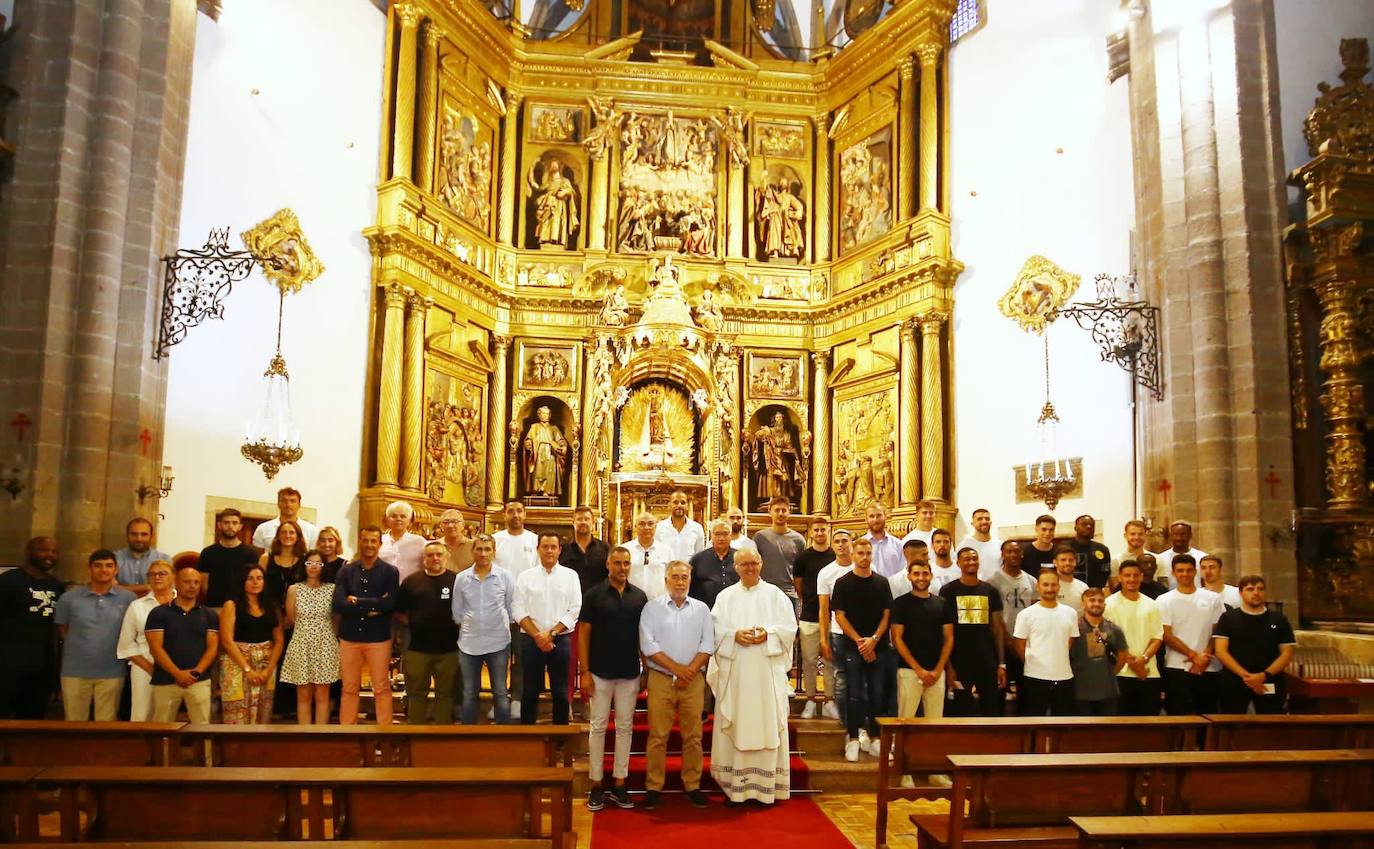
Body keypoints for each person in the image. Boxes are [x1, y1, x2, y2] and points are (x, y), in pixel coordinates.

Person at [707, 547, 797, 804]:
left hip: (766, 673)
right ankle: (735, 786)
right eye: (744, 564)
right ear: (735, 567)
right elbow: (714, 629)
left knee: (767, 720)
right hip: (736, 673)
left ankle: (766, 785)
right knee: (736, 718)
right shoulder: (725, 597)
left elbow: (789, 629)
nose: (749, 568)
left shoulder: (775, 595)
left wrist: (767, 634)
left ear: (761, 565)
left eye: (753, 563)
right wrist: (733, 635)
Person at [640, 560, 714, 810]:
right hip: (661, 680)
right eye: (675, 577)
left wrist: (689, 671)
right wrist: (677, 669)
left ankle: (692, 784)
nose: (680, 581)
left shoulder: (702, 609)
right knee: (657, 736)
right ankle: (653, 787)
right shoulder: (652, 609)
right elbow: (648, 646)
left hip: (693, 682)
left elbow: (707, 644)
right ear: (666, 580)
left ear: (690, 580)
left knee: (693, 737)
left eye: (684, 577)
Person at [579, 547, 647, 811]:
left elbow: (644, 635)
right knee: (597, 727)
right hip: (599, 672)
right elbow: (584, 634)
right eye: (617, 563)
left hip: (629, 671)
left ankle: (620, 782)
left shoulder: (639, 596)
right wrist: (585, 672)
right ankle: (596, 783)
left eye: (626, 563)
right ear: (608, 564)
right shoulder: (594, 595)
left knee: (625, 728)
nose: (622, 567)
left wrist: (646, 669)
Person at [55, 550, 136, 720]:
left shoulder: (128, 598)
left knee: (106, 725)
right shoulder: (69, 599)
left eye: (108, 566)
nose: (103, 570)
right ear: (90, 569)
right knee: (74, 723)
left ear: (116, 570)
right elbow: (63, 629)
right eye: (98, 566)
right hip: (74, 670)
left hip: (112, 670)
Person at [831, 537, 892, 761]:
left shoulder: (882, 582)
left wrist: (874, 639)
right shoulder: (843, 583)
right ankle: (854, 737)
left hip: (879, 646)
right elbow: (840, 615)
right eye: (860, 553)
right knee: (854, 693)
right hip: (852, 647)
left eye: (868, 553)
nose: (865, 557)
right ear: (853, 555)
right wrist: (860, 641)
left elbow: (887, 614)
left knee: (877, 693)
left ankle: (875, 738)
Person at [333, 526, 399, 725]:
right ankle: (348, 733)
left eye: (373, 541)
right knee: (349, 688)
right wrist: (374, 604)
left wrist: (356, 601)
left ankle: (384, 732)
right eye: (365, 540)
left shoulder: (390, 572)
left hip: (378, 637)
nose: (369, 545)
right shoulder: (346, 571)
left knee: (381, 687)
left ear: (380, 544)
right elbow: (338, 604)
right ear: (359, 542)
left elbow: (391, 603)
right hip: (349, 637)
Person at [514, 532, 581, 725]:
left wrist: (551, 634)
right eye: (545, 547)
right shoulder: (525, 577)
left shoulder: (570, 576)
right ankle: (528, 738)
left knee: (560, 692)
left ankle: (559, 740)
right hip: (531, 640)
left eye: (553, 546)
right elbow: (518, 609)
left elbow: (574, 609)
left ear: (560, 550)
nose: (549, 551)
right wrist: (538, 636)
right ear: (538, 549)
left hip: (560, 640)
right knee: (529, 691)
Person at [452, 533, 516, 725]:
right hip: (469, 643)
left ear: (494, 552)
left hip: (498, 641)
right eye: (479, 549)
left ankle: (503, 735)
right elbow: (457, 610)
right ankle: (469, 735)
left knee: (500, 691)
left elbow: (511, 608)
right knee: (470, 692)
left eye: (487, 549)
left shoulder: (505, 577)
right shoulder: (462, 578)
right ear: (473, 551)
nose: (483, 553)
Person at [0, 537, 67, 718]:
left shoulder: (57, 585)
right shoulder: (8, 581)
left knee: (33, 717)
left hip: (42, 665)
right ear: (29, 552)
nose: (49, 555)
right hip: (9, 663)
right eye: (43, 550)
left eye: (54, 551)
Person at [145, 563, 219, 723]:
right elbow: (155, 648)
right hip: (165, 680)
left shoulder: (209, 614)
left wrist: (196, 672)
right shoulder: (159, 613)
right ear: (176, 583)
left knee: (203, 729)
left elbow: (213, 647)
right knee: (162, 731)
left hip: (198, 680)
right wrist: (177, 673)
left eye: (196, 582)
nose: (192, 586)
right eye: (187, 582)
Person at [396, 542, 460, 724]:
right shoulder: (412, 581)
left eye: (439, 554)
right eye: (430, 555)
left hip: (449, 648)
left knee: (446, 693)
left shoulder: (456, 581)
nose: (435, 558)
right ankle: (415, 732)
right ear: (424, 559)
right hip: (418, 648)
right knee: (416, 692)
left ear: (446, 557)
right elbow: (400, 611)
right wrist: (417, 623)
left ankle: (441, 733)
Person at [1214, 575, 1295, 714]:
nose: (1256, 593)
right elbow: (1221, 651)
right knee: (1231, 725)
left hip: (1269, 680)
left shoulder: (1279, 619)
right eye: (1250, 589)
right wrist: (1246, 676)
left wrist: (1263, 675)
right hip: (1235, 680)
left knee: (1271, 724)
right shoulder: (1228, 618)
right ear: (1241, 593)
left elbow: (1286, 653)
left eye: (1260, 589)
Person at [940, 548, 1006, 716]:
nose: (971, 562)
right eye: (967, 559)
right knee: (961, 709)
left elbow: (997, 628)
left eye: (974, 559)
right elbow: (944, 631)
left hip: (987, 660)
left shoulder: (990, 591)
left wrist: (1001, 664)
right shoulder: (948, 591)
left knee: (991, 708)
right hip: (959, 660)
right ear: (958, 563)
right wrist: (948, 666)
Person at [1157, 553, 1223, 714]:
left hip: (1208, 666)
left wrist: (1204, 655)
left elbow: (1218, 630)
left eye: (1188, 570)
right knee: (1178, 715)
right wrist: (1193, 655)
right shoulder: (1164, 600)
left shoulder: (1212, 598)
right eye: (1180, 570)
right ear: (1173, 573)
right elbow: (1166, 635)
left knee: (1208, 714)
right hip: (1176, 666)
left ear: (1195, 571)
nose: (1184, 574)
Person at [218, 564, 284, 724]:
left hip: (265, 665)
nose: (255, 582)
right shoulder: (231, 605)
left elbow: (279, 640)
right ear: (242, 581)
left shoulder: (271, 606)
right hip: (236, 664)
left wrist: (268, 670)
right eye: (250, 578)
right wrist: (247, 670)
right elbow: (226, 641)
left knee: (263, 713)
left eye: (259, 578)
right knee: (237, 712)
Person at [280, 549, 340, 724]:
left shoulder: (332, 589)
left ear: (323, 567)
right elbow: (291, 619)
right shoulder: (294, 589)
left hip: (325, 644)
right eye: (309, 563)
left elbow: (336, 619)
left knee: (323, 694)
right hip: (301, 642)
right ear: (304, 565)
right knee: (303, 694)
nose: (314, 567)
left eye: (318, 563)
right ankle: (304, 736)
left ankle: (320, 736)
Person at [890, 559, 954, 720]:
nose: (921, 577)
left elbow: (949, 638)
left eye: (925, 573)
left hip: (937, 672)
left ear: (931, 576)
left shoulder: (942, 603)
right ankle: (901, 747)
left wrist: (938, 670)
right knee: (905, 720)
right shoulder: (900, 604)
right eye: (916, 574)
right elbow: (897, 638)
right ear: (909, 577)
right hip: (909, 671)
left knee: (935, 722)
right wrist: (918, 670)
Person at [494, 501, 539, 719]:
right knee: (499, 657)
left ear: (525, 514)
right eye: (511, 511)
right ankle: (499, 699)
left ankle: (518, 699)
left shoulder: (534, 540)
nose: (515, 515)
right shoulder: (496, 540)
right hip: (498, 607)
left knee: (522, 658)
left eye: (519, 511)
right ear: (504, 515)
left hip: (525, 609)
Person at [1103, 559, 1164, 715]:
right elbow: (1105, 639)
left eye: (1135, 575)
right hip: (1120, 672)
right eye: (1127, 575)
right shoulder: (1108, 604)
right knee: (1122, 725)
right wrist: (1131, 662)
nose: (1131, 579)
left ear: (1141, 577)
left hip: (1148, 672)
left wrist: (1142, 659)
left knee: (1149, 724)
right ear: (1120, 577)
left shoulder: (1152, 604)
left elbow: (1157, 637)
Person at [1013, 569, 1078, 717]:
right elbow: (1019, 645)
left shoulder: (1070, 613)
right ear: (1038, 586)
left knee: (1062, 726)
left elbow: (1070, 640)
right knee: (1033, 725)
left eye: (1053, 585)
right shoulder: (1026, 615)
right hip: (1034, 678)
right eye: (1046, 585)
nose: (1050, 589)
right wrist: (1034, 662)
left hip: (1064, 677)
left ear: (1058, 587)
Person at [117, 559, 176, 721]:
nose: (157, 577)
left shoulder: (183, 603)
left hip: (176, 670)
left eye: (162, 573)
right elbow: (126, 644)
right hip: (144, 667)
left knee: (167, 717)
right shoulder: (137, 606)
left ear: (173, 577)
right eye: (152, 574)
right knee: (141, 715)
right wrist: (151, 669)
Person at [793, 515, 836, 718]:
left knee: (830, 661)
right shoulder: (803, 558)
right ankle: (810, 700)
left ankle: (829, 700)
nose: (820, 533)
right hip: (809, 615)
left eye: (823, 530)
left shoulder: (835, 556)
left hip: (832, 617)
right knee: (809, 661)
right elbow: (799, 586)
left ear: (829, 531)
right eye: (816, 530)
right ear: (811, 533)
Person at [988, 539, 1036, 701]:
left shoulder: (1031, 581)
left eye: (1017, 551)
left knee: (1026, 689)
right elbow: (993, 615)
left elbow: (1036, 611)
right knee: (1000, 687)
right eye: (1009, 551)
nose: (1013, 555)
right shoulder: (992, 580)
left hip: (1026, 642)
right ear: (1003, 555)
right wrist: (1007, 638)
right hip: (1003, 642)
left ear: (1022, 554)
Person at [1071, 587, 1129, 715]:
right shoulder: (1074, 628)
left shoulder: (1114, 629)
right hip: (1080, 692)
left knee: (1107, 733)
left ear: (1104, 604)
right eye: (1092, 600)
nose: (1096, 604)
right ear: (1083, 603)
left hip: (1108, 691)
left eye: (1100, 600)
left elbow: (1123, 655)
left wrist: (1110, 673)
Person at [199, 508, 260, 611]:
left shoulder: (251, 554)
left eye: (234, 523)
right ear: (219, 525)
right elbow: (204, 584)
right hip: (213, 607)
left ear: (240, 526)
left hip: (242, 608)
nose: (230, 526)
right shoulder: (208, 553)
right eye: (226, 522)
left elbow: (255, 581)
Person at [753, 495, 807, 604]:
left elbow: (801, 570)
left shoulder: (799, 540)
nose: (780, 513)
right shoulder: (760, 537)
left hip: (790, 593)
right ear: (770, 512)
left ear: (789, 512)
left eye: (784, 510)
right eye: (777, 510)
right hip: (765, 593)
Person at [251, 486, 321, 549]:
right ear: (278, 504)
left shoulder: (312, 531)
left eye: (292, 501)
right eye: (284, 501)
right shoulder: (263, 529)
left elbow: (313, 558)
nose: (288, 505)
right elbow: (257, 558)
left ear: (299, 505)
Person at [114, 517, 169, 596]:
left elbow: (166, 589)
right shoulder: (114, 558)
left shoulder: (164, 559)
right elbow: (109, 588)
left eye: (144, 534)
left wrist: (122, 588)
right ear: (127, 535)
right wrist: (148, 587)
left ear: (151, 536)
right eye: (134, 534)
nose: (139, 539)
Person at [689, 519, 737, 608]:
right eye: (717, 534)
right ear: (711, 536)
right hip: (705, 609)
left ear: (731, 536)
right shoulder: (698, 559)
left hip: (734, 608)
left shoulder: (739, 558)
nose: (721, 538)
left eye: (725, 534)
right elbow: (690, 587)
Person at [624, 512, 671, 601]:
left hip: (659, 602)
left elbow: (671, 577)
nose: (646, 527)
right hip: (631, 601)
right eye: (641, 524)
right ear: (635, 527)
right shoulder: (625, 549)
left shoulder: (666, 550)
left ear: (655, 527)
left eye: (650, 524)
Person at [258, 520, 306, 608]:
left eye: (291, 532)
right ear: (278, 536)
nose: (287, 536)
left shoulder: (305, 560)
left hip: (296, 611)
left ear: (298, 537)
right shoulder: (265, 559)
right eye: (283, 532)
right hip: (269, 610)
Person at [564, 505, 610, 593]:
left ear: (593, 522)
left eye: (586, 519)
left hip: (598, 601)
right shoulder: (563, 549)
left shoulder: (605, 548)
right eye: (579, 519)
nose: (583, 522)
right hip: (570, 600)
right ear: (573, 522)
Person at [381, 500, 427, 583]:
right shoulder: (379, 540)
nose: (398, 519)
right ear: (387, 519)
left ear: (409, 520)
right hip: (383, 590)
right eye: (394, 516)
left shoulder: (420, 542)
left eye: (403, 516)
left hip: (411, 589)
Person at [655, 490, 706, 561]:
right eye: (675, 502)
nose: (679, 505)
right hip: (666, 571)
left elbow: (699, 555)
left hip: (688, 571)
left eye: (683, 502)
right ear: (669, 505)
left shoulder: (697, 528)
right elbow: (656, 553)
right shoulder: (659, 528)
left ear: (687, 506)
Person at [956, 508, 1002, 581]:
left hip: (997, 587)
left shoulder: (1000, 545)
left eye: (987, 519)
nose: (984, 521)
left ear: (991, 522)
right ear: (972, 524)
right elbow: (958, 570)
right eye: (980, 519)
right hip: (974, 588)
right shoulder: (964, 545)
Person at [1068, 515, 1112, 589]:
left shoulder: (1102, 549)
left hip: (1094, 593)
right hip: (1069, 590)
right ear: (1075, 528)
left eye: (1092, 525)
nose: (1089, 527)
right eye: (1084, 524)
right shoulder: (1064, 547)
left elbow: (1105, 573)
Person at [862, 502, 904, 578]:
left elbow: (902, 572)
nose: (875, 520)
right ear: (866, 519)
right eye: (871, 516)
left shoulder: (898, 545)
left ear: (885, 516)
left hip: (892, 588)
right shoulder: (859, 546)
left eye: (879, 515)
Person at [1051, 545, 1087, 613]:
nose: (1067, 563)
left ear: (1075, 562)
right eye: (1063, 560)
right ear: (1055, 562)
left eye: (1071, 560)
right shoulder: (1049, 586)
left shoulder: (1083, 587)